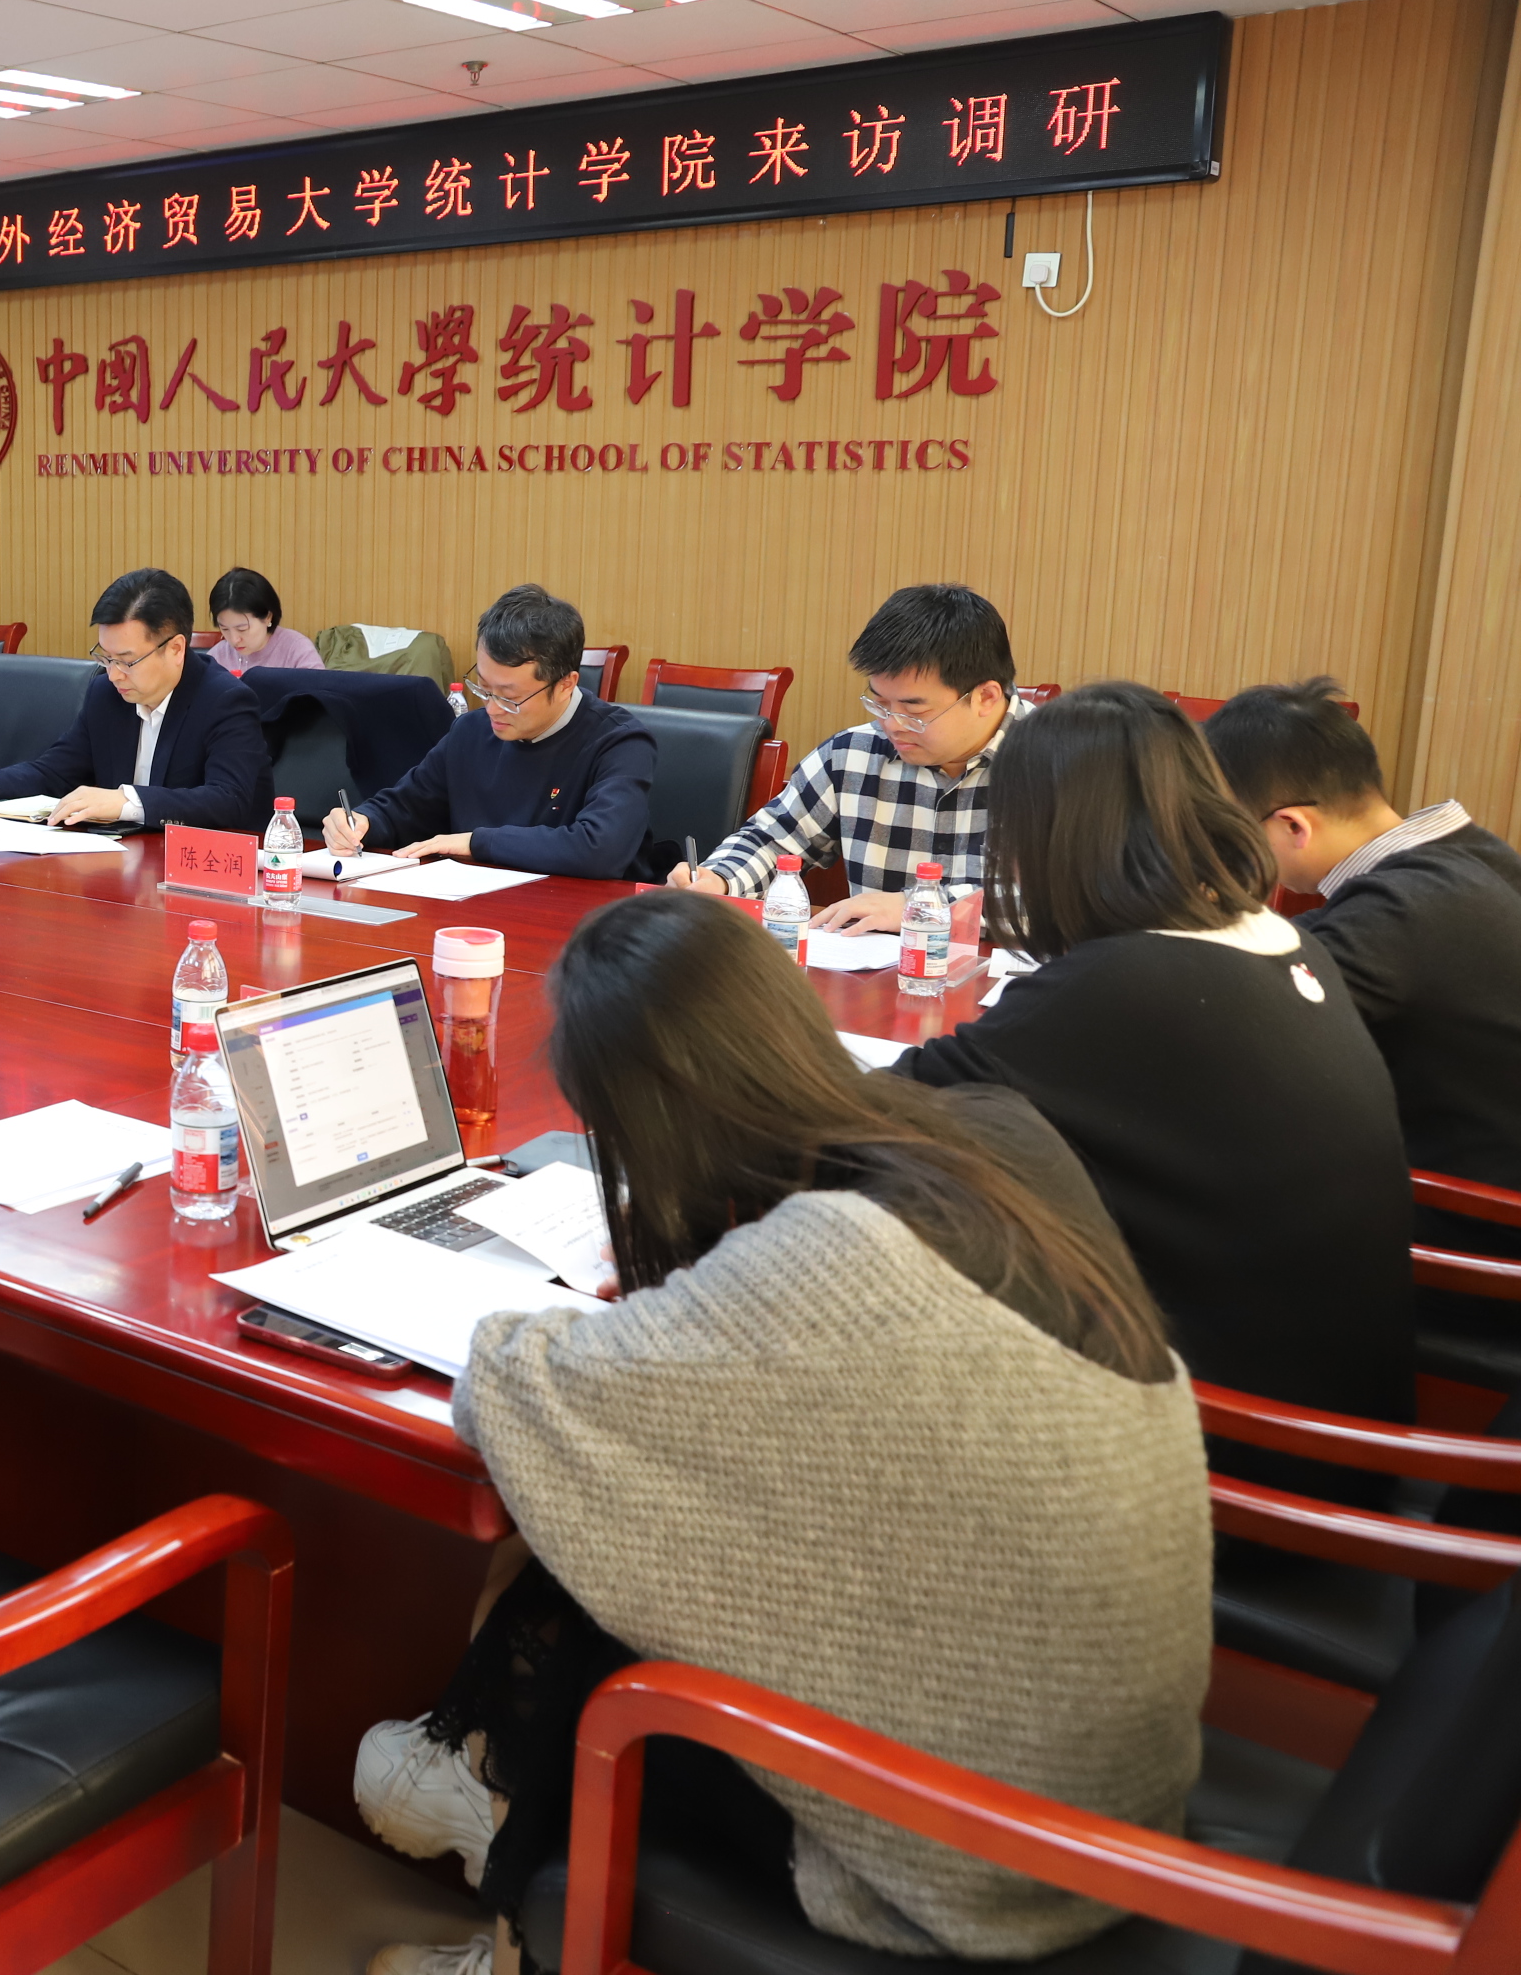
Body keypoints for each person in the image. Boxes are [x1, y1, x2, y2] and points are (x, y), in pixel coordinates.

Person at [361, 888, 1204, 1975]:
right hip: (1107, 1778)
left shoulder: (824, 1257)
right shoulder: (982, 1128)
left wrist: (669, 1300)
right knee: (666, 1496)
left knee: (610, 1557)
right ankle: (481, 1798)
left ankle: (498, 1842)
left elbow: (509, 1383)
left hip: (982, 1861)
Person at [896, 683, 1414, 1495]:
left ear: (1049, 835)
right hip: (1348, 1436)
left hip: (1238, 1462)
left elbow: (878, 1108)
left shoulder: (1126, 981)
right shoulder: (1278, 940)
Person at [1206, 678, 1521, 1264]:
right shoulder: (1473, 853)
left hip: (1471, 1244)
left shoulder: (1401, 911)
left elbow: (1232, 1029)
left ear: (1293, 826)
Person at [669, 584, 1032, 932]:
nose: (892, 725)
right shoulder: (854, 754)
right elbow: (773, 840)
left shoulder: (1054, 759)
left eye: (914, 710)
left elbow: (1057, 899)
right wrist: (719, 879)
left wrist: (920, 908)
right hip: (877, 969)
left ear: (985, 697)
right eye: (880, 702)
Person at [325, 585, 653, 878]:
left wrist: (477, 843)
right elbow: (404, 809)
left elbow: (600, 849)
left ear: (566, 684)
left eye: (509, 697)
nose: (492, 709)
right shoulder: (470, 731)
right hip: (474, 909)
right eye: (483, 688)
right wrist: (362, 822)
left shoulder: (618, 742)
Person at [0, 568, 270, 832]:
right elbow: (53, 772)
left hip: (204, 877)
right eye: (106, 658)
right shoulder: (106, 694)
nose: (114, 674)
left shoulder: (225, 701)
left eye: (127, 661)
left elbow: (228, 800)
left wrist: (126, 801)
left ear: (176, 649)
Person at [206, 568, 321, 675]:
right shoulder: (216, 658)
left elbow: (319, 688)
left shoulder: (296, 650)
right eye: (225, 629)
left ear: (268, 617)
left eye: (242, 629)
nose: (234, 640)